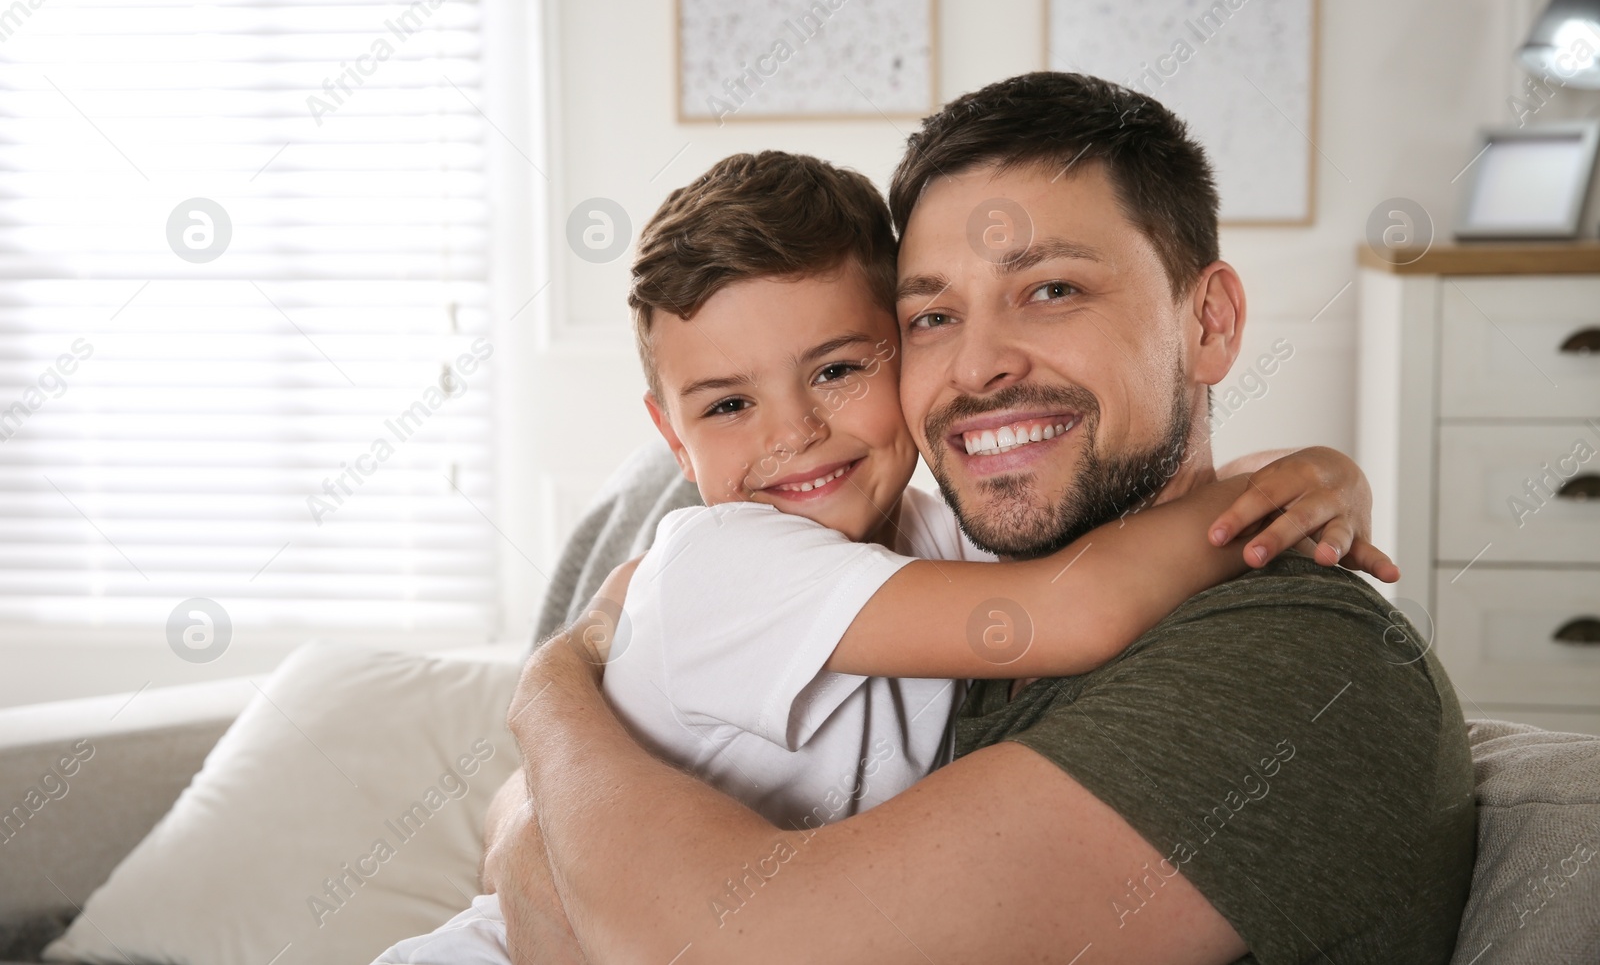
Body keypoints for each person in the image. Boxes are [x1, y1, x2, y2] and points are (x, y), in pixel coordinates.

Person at [488, 73, 1477, 964]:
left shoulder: (1292, 659)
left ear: (1208, 322)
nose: (977, 365)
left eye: (1050, 288)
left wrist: (551, 704)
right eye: (931, 316)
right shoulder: (967, 564)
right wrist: (548, 717)